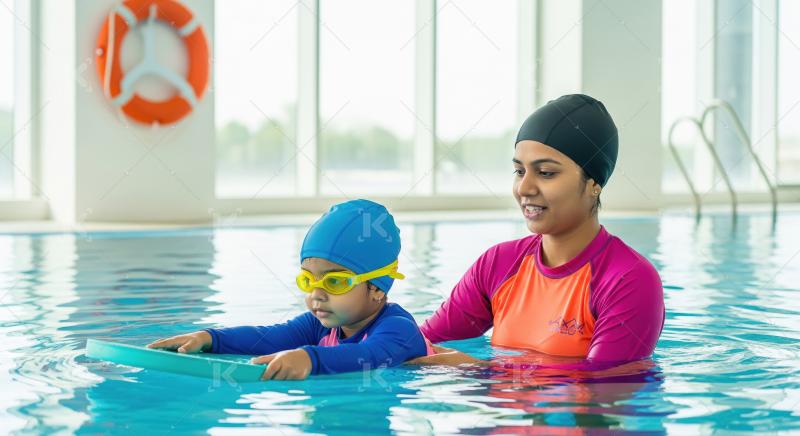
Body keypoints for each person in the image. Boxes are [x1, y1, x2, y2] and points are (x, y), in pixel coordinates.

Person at [415, 94, 665, 368]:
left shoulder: (629, 280)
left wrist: (481, 370)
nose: (524, 188)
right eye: (519, 171)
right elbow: (421, 342)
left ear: (595, 183)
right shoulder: (498, 264)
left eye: (545, 173)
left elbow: (603, 388)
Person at [148, 199, 432, 380]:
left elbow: (370, 356)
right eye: (308, 281)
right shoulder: (320, 325)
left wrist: (310, 357)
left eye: (334, 281)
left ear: (377, 289)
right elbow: (270, 338)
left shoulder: (398, 329)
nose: (316, 295)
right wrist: (210, 338)